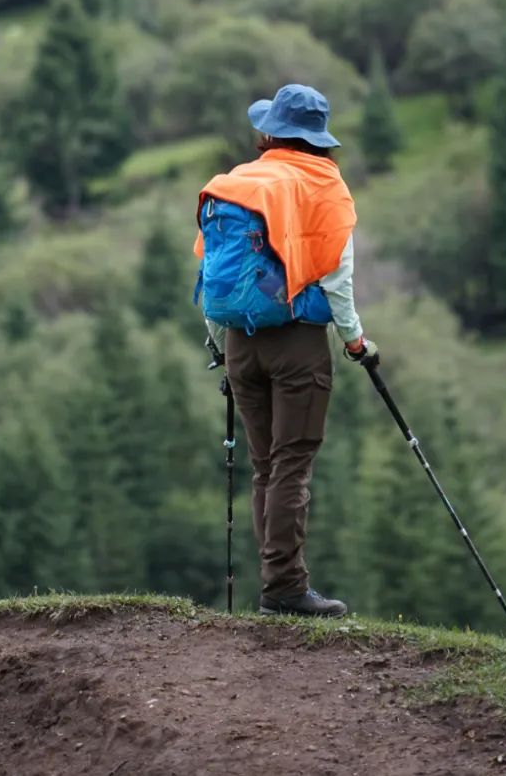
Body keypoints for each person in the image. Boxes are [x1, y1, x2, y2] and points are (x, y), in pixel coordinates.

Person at [194, 83, 377, 619]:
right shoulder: (324, 185)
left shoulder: (239, 181)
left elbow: (214, 273)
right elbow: (338, 279)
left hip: (239, 344)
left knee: (265, 466)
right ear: (317, 138)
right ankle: (285, 588)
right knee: (292, 465)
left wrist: (219, 346)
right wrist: (355, 341)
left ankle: (278, 583)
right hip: (296, 345)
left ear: (271, 132)